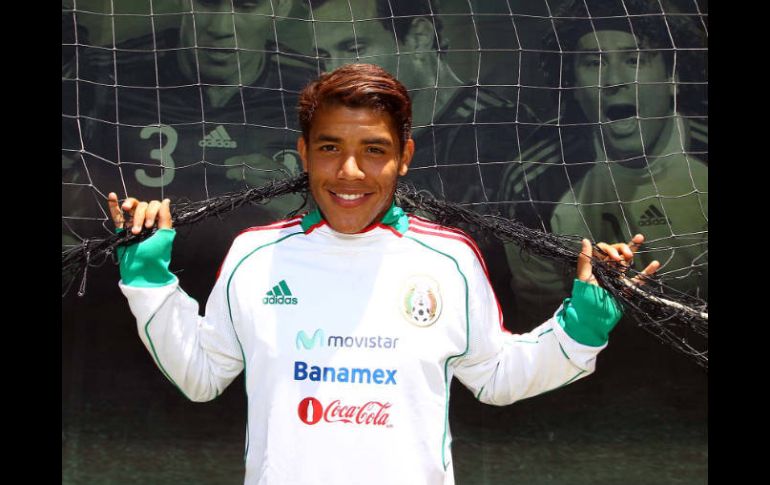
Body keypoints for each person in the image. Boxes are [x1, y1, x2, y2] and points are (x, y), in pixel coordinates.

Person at [108, 63, 658, 485]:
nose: (350, 171)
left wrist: (582, 327)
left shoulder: (450, 260)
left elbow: (496, 377)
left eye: (374, 150)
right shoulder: (254, 256)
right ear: (303, 153)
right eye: (330, 148)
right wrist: (149, 281)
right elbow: (201, 375)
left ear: (405, 156)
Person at [497, 0, 707, 325]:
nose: (614, 80)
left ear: (672, 77)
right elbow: (540, 318)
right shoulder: (534, 182)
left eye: (635, 60)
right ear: (574, 86)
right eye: (594, 63)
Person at [65, 0, 316, 263]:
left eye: (246, 6)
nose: (220, 28)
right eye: (207, 3)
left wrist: (298, 209)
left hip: (260, 274)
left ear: (281, 8)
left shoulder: (307, 86)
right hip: (128, 271)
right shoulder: (109, 72)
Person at [304, 0, 540, 205]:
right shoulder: (349, 137)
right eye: (324, 57)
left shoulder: (493, 130)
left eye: (354, 50)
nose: (336, 73)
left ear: (419, 38)